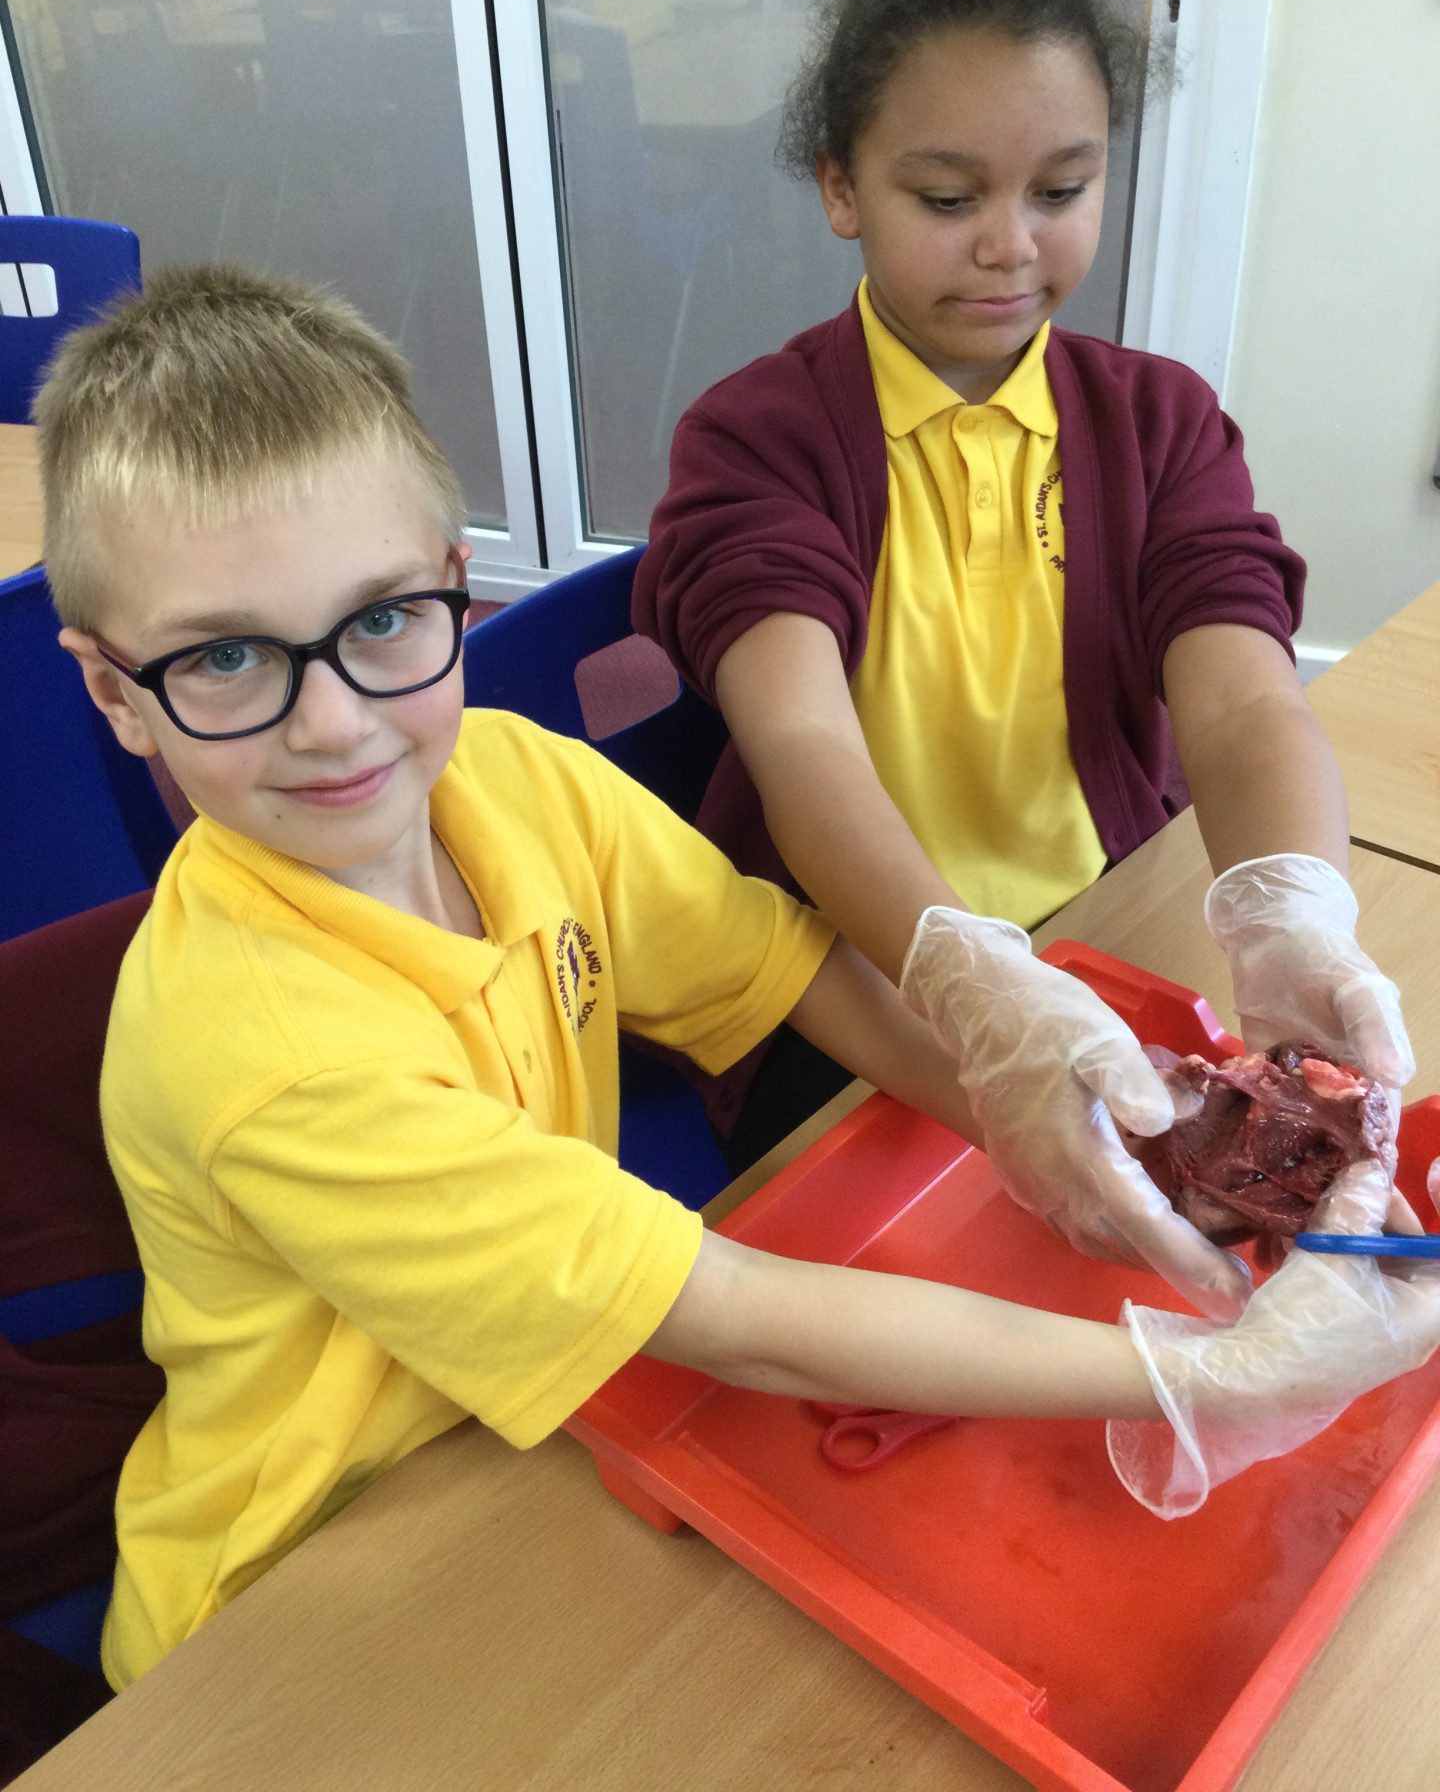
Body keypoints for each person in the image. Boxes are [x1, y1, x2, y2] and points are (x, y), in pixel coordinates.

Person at [39, 265, 1439, 1693]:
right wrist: (1208, 1376)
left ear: (456, 578)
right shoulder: (272, 1053)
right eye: (226, 656)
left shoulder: (518, 781)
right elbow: (733, 1321)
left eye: (385, 620)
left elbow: (783, 968)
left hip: (541, 1429)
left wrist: (1045, 1112)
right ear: (110, 691)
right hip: (306, 1593)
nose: (336, 724)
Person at [632, 0, 1416, 1297]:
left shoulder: (1158, 424)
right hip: (863, 976)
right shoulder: (758, 441)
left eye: (1062, 189)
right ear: (841, 186)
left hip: (1110, 928)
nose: (1010, 247)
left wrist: (1292, 907)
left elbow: (1240, 695)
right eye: (947, 198)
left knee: (1209, 1254)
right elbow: (800, 745)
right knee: (933, 1287)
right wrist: (964, 974)